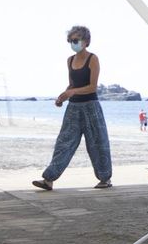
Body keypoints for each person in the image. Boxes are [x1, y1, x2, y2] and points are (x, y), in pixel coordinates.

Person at [32, 25, 114, 191]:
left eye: (75, 40)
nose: (72, 43)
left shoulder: (93, 59)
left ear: (86, 41)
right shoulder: (70, 60)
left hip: (91, 107)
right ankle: (48, 179)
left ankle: (105, 179)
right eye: (70, 40)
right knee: (63, 143)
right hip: (73, 108)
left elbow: (92, 87)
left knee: (98, 144)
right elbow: (72, 84)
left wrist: (72, 92)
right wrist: (63, 96)